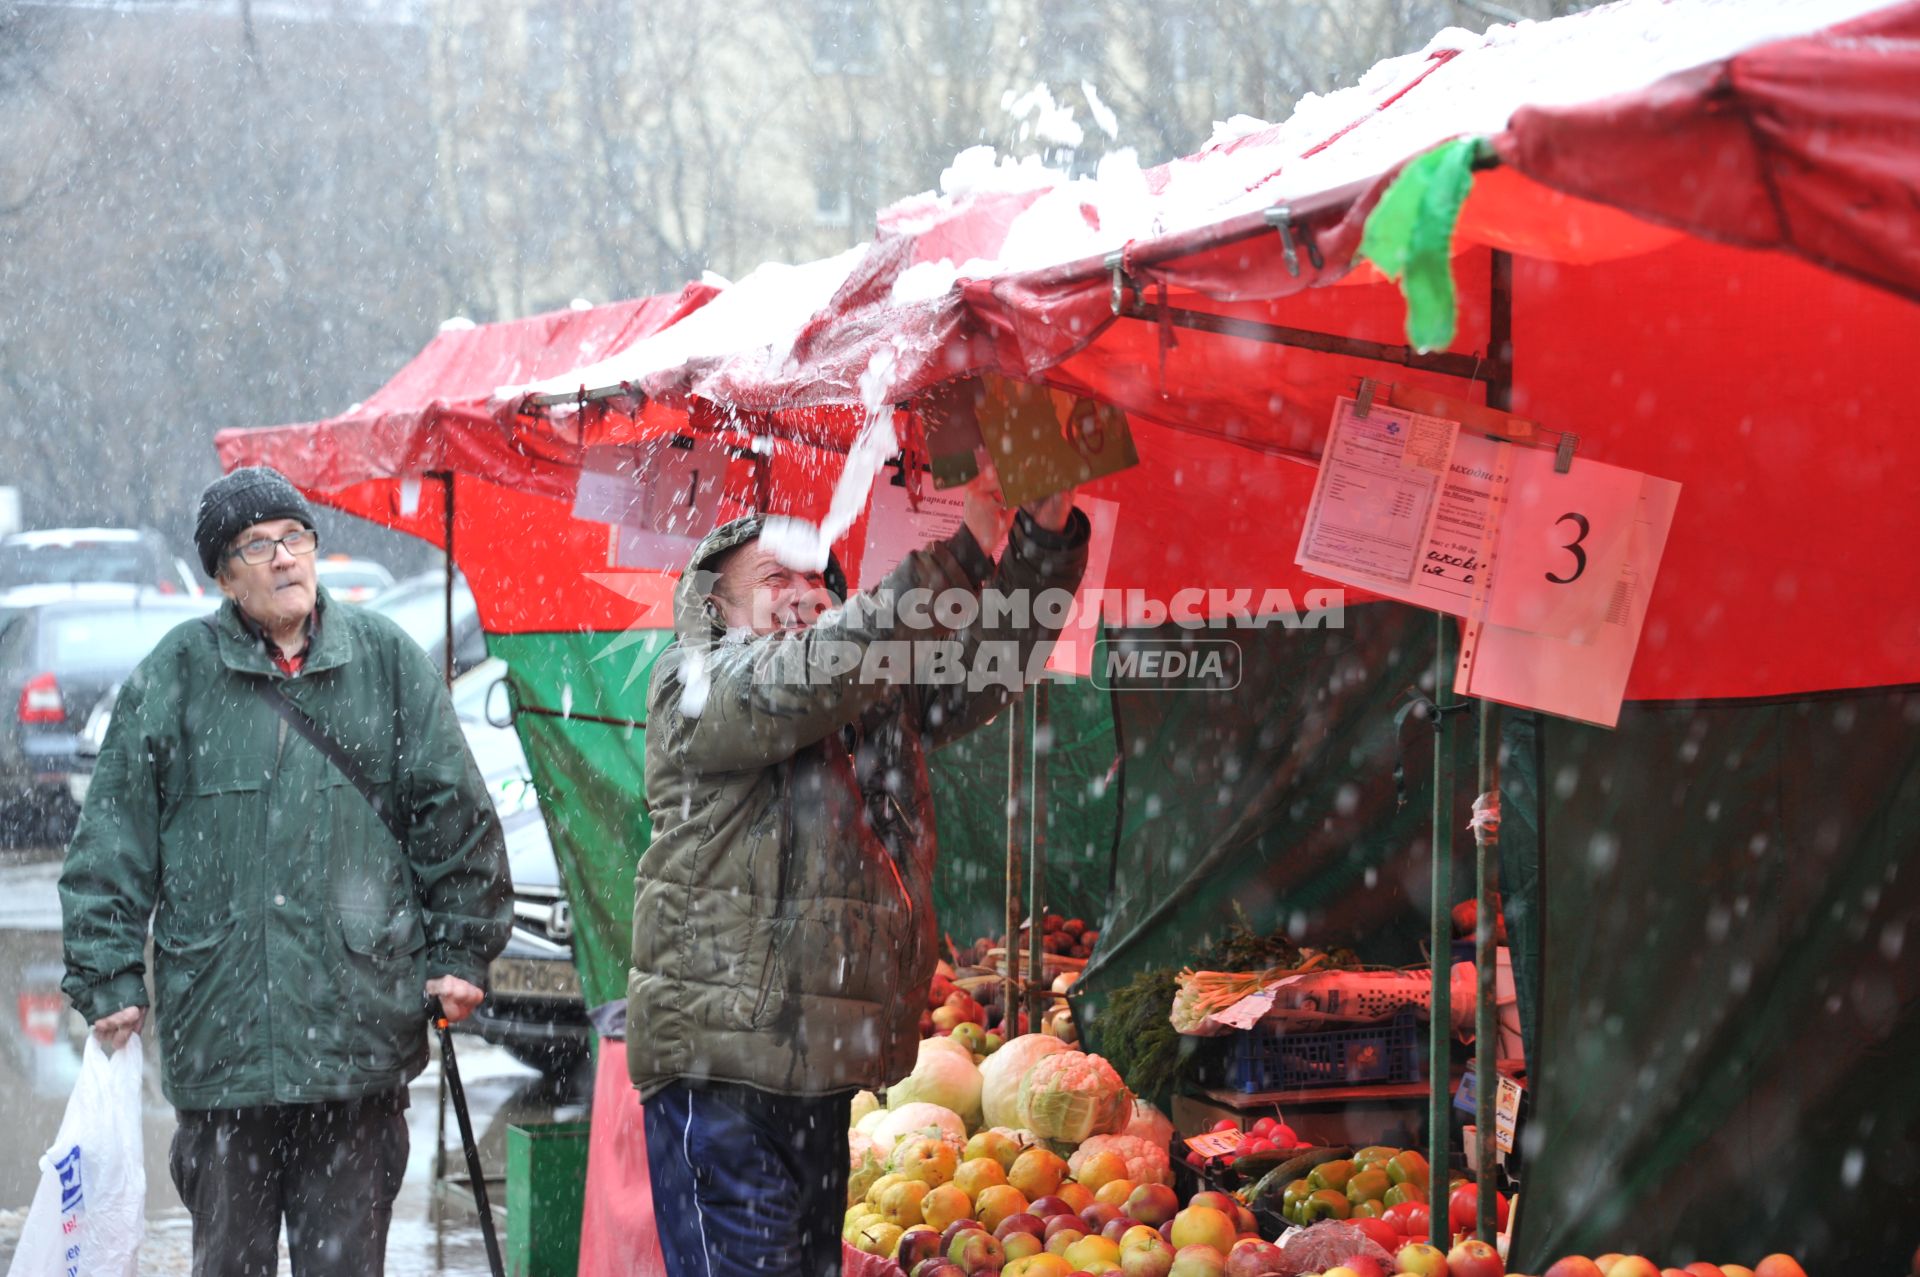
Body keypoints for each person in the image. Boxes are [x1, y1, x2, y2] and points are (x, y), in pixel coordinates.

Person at [59, 465, 513, 1277]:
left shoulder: (386, 662)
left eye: (295, 537)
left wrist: (460, 951)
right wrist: (109, 973)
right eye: (257, 545)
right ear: (225, 576)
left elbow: (457, 818)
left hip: (356, 1043)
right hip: (226, 1050)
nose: (283, 558)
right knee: (230, 1264)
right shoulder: (177, 675)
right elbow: (111, 841)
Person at [631, 480, 1089, 1277]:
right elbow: (804, 675)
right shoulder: (693, 680)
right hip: (720, 1066)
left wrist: (1041, 540)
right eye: (778, 579)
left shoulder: (864, 693)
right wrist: (954, 559)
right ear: (719, 606)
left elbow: (989, 662)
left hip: (821, 1068)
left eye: (819, 580)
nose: (807, 593)